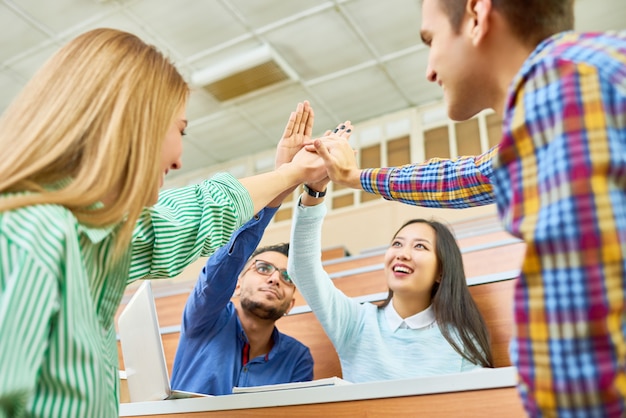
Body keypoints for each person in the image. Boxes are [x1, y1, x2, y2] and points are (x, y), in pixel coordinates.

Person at [313, 1, 626, 416]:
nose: (428, 70)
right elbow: (466, 177)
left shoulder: (563, 85)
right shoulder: (576, 79)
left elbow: (586, 341)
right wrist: (354, 178)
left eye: (431, 40)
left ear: (477, 16)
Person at [0, 28, 330, 417]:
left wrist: (286, 178)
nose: (178, 159)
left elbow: (181, 224)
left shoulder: (93, 240)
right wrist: (289, 176)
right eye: (180, 130)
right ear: (128, 124)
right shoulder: (31, 231)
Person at [288, 124, 493, 383]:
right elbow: (302, 269)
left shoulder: (461, 341)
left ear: (441, 271)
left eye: (420, 246)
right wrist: (314, 192)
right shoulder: (357, 322)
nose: (402, 254)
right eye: (397, 244)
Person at [170, 122, 319, 396]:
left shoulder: (297, 359)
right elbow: (224, 266)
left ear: (291, 305)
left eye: (287, 277)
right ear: (237, 284)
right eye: (263, 268)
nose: (275, 278)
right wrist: (282, 180)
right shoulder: (205, 318)